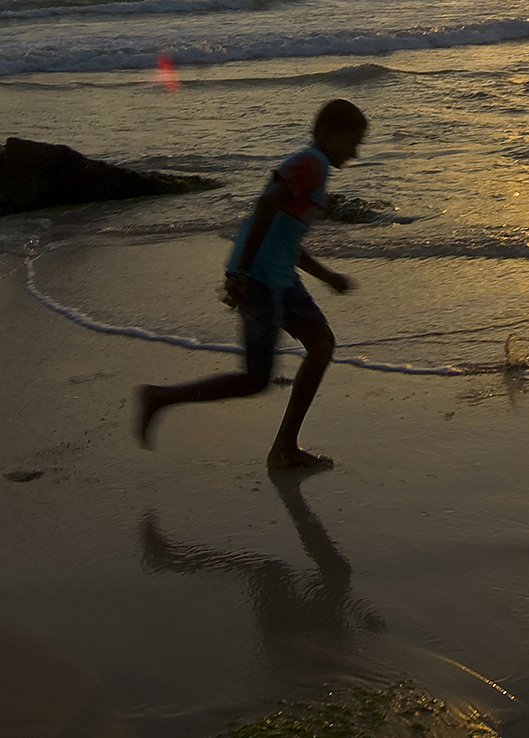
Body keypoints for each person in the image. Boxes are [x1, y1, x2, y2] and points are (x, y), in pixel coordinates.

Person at [135, 99, 366, 470]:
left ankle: (285, 447)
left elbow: (285, 238)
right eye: (351, 142)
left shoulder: (314, 168)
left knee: (321, 344)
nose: (354, 153)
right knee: (255, 379)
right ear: (326, 135)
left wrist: (327, 277)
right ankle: (160, 398)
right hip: (261, 280)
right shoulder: (312, 163)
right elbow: (265, 205)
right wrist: (238, 274)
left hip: (277, 277)